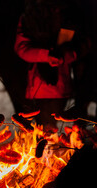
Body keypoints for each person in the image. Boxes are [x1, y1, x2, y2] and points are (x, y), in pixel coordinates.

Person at [14, 0, 90, 130]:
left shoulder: (71, 12)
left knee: (52, 130)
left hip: (61, 87)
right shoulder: (30, 14)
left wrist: (66, 55)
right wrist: (46, 56)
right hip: (37, 87)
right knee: (42, 130)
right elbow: (21, 48)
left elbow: (85, 44)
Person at [0, 0, 27, 113]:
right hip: (8, 51)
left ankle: (26, 120)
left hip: (12, 51)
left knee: (23, 99)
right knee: (21, 100)